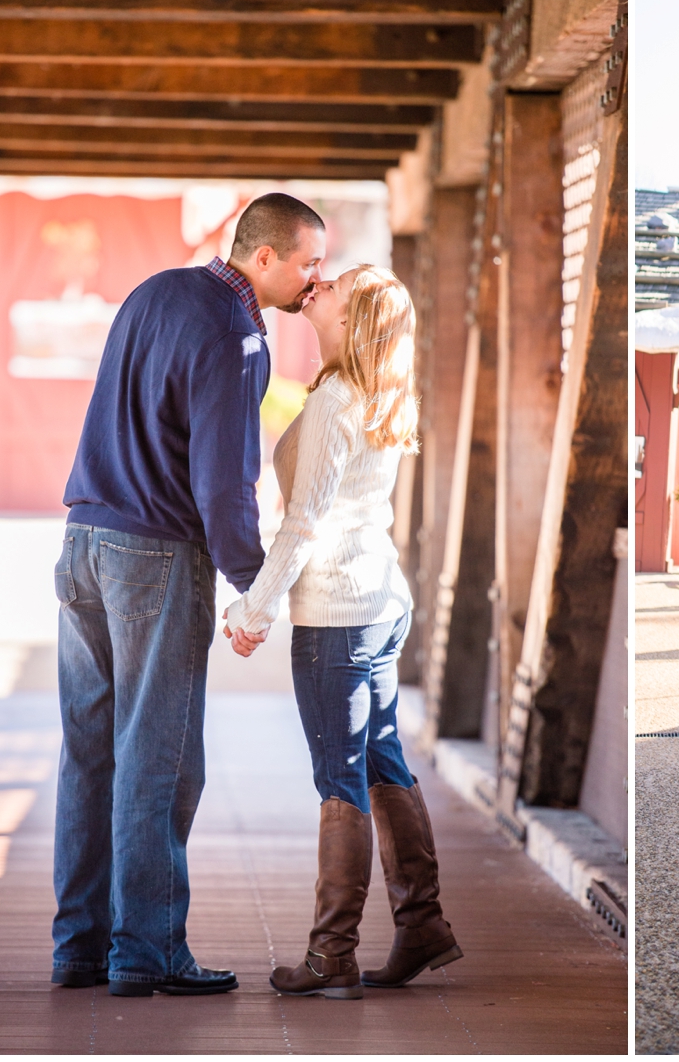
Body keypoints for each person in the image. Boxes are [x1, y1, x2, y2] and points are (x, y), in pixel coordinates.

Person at [51, 193, 326, 997]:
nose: (317, 277)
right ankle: (147, 951)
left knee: (90, 751)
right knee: (161, 761)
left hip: (81, 543)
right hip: (154, 557)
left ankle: (80, 946)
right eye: (308, 261)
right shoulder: (238, 337)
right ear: (264, 257)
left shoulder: (152, 291)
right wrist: (255, 588)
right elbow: (225, 482)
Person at [223, 265, 462, 1000]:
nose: (318, 284)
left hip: (339, 616)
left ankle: (333, 955)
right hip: (382, 602)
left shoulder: (336, 399)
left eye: (336, 285)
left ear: (353, 319)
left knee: (340, 778)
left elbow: (304, 522)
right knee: (382, 758)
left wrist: (253, 609)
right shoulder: (374, 389)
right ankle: (422, 926)